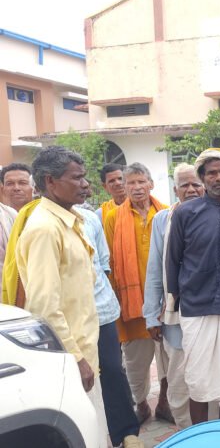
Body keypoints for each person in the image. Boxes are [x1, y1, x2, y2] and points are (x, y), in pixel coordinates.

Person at [16, 146, 107, 447]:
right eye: (76, 178)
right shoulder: (45, 228)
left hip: (84, 350)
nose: (85, 184)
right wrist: (76, 359)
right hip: (70, 359)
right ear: (50, 181)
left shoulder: (69, 220)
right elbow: (44, 306)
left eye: (84, 177)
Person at [166, 148, 220, 424]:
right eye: (212, 173)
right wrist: (176, 302)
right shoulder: (185, 213)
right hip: (197, 307)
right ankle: (201, 436)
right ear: (203, 178)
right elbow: (173, 260)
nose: (219, 178)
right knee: (199, 379)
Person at [104, 163, 171, 424]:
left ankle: (164, 402)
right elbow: (109, 261)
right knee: (135, 361)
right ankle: (141, 405)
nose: (136, 187)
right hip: (131, 304)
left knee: (168, 357)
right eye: (130, 182)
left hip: (164, 301)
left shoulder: (166, 213)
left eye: (141, 181)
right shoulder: (113, 218)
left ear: (151, 184)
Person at [75, 201, 144, 448]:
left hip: (102, 311)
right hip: (69, 316)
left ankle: (126, 433)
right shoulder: (39, 222)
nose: (84, 184)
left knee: (113, 370)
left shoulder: (89, 219)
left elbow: (103, 263)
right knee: (79, 378)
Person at [142, 164, 205, 429]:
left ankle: (211, 433)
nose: (191, 190)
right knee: (179, 381)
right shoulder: (163, 219)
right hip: (175, 314)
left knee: (209, 381)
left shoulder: (216, 214)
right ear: (175, 189)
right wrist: (150, 315)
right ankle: (186, 432)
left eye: (196, 184)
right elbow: (155, 268)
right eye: (184, 185)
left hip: (209, 314)